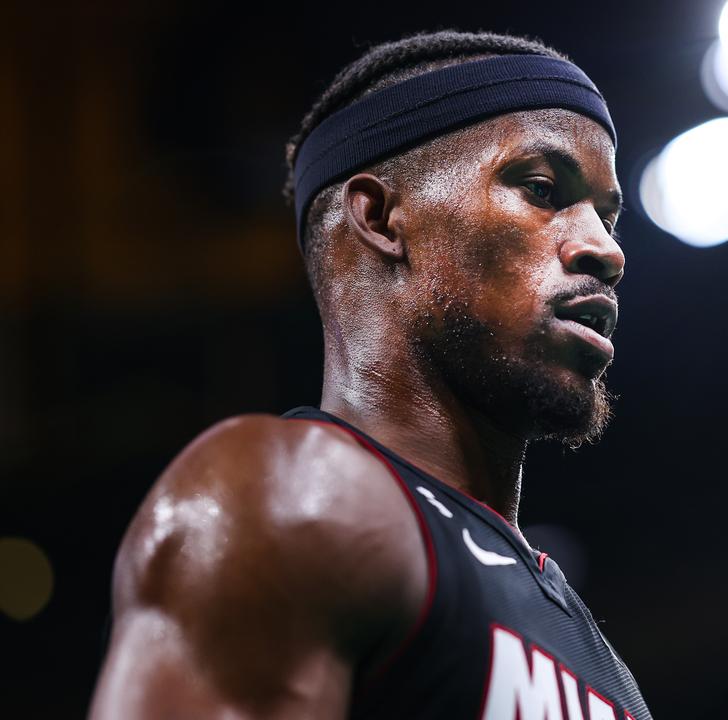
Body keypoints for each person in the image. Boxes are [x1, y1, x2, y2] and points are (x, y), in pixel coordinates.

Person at [89, 30, 650, 720]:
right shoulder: (289, 500)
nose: (606, 249)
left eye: (606, 214)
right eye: (542, 189)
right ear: (382, 217)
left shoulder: (606, 669)